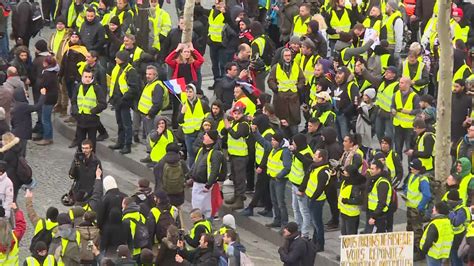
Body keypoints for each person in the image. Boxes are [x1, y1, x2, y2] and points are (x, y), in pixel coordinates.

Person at [107, 50, 141, 155]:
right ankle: (120, 142)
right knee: (120, 123)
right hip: (117, 100)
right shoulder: (118, 68)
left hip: (124, 101)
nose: (115, 59)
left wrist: (124, 98)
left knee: (126, 124)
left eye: (117, 57)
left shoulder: (130, 71)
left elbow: (134, 88)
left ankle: (127, 145)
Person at [241, 115, 274, 217]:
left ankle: (251, 207)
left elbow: (267, 150)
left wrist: (261, 166)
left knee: (259, 186)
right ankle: (268, 208)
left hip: (265, 165)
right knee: (266, 188)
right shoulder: (263, 132)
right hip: (262, 163)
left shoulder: (268, 134)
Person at [268, 48, 305, 136]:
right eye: (286, 56)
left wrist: (299, 87)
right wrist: (275, 88)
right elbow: (270, 80)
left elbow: (302, 79)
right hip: (280, 98)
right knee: (282, 125)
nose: (288, 57)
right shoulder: (276, 67)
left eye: (289, 55)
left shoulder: (296, 66)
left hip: (293, 98)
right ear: (282, 57)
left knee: (294, 124)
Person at [190, 130, 225, 218]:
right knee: (196, 209)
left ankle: (206, 225)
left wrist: (208, 185)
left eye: (207, 135)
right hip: (197, 184)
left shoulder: (215, 153)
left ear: (212, 140)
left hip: (205, 186)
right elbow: (196, 164)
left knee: (206, 211)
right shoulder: (202, 150)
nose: (204, 136)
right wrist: (190, 175)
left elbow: (214, 170)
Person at [70, 67, 107, 150]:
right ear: (82, 77)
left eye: (89, 77)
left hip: (92, 120)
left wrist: (93, 111)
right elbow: (74, 101)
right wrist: (75, 111)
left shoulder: (96, 88)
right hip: (81, 119)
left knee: (91, 144)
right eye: (85, 77)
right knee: (80, 143)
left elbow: (103, 104)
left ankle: (92, 160)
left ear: (92, 77)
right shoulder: (78, 86)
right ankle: (80, 159)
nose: (87, 79)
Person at [302, 149, 330, 252]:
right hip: (311, 197)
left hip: (317, 200)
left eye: (316, 155)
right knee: (314, 222)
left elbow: (320, 188)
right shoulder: (315, 167)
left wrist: (313, 199)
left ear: (321, 158)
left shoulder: (323, 171)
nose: (314, 156)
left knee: (318, 223)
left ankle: (320, 244)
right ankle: (314, 240)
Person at [224, 102, 250, 209]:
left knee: (240, 178)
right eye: (235, 113)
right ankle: (236, 196)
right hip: (234, 154)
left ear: (242, 114)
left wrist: (228, 127)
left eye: (238, 114)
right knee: (234, 177)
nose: (236, 116)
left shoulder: (244, 124)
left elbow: (236, 135)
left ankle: (240, 200)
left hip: (241, 156)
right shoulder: (235, 123)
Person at [404, 159, 431, 260]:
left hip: (416, 209)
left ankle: (420, 252)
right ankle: (413, 248)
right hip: (410, 207)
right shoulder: (412, 176)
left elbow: (427, 195)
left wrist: (420, 207)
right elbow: (408, 187)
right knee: (410, 228)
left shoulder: (423, 180)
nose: (411, 169)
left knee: (417, 231)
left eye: (413, 168)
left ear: (418, 169)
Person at [137, 65, 169, 142]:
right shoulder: (150, 83)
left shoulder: (157, 86)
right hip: (146, 114)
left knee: (152, 137)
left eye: (150, 74)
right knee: (148, 136)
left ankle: (151, 151)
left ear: (155, 75)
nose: (147, 76)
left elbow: (157, 104)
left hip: (151, 116)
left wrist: (150, 115)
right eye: (147, 74)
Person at [391, 76, 420, 161]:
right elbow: (392, 106)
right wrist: (392, 110)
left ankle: (410, 169)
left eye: (402, 83)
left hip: (409, 127)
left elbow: (418, 110)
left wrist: (408, 111)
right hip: (398, 125)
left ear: (408, 84)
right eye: (399, 82)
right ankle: (398, 168)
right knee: (397, 148)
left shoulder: (414, 96)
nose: (399, 84)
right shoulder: (395, 94)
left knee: (409, 149)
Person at [34, 56, 59, 146]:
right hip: (53, 97)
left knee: (46, 119)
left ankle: (47, 138)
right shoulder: (54, 72)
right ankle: (48, 137)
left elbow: (42, 84)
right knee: (47, 118)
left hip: (48, 98)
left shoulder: (47, 73)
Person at [420, 201, 454, 266]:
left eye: (434, 208)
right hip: (443, 252)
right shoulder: (448, 221)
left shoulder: (435, 224)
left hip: (433, 254)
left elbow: (428, 241)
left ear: (438, 210)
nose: (432, 209)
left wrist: (423, 252)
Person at [365, 160, 392, 233]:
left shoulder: (382, 183)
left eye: (373, 169)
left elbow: (382, 202)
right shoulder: (375, 179)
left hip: (379, 215)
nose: (371, 171)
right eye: (370, 168)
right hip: (374, 212)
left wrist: (374, 216)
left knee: (378, 237)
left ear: (379, 170)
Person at [446, 190, 471, 266]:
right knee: (453, 260)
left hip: (460, 238)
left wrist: (450, 214)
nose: (448, 202)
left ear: (453, 200)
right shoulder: (456, 209)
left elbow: (456, 223)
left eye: (449, 200)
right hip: (455, 238)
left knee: (456, 259)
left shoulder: (461, 210)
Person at [338, 165, 365, 235]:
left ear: (350, 173)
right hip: (343, 212)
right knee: (344, 234)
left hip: (351, 215)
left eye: (346, 171)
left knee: (350, 235)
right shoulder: (346, 181)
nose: (344, 172)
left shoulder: (355, 186)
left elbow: (359, 200)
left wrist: (347, 201)